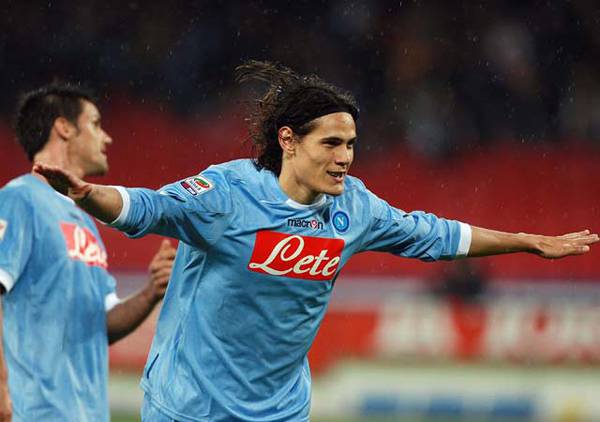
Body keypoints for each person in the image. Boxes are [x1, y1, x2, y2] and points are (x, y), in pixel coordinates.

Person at [35, 62, 598, 422]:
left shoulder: (355, 208)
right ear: (289, 141)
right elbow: (146, 207)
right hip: (190, 407)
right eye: (331, 143)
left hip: (281, 411)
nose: (345, 157)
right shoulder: (226, 193)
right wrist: (87, 193)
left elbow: (438, 235)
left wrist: (526, 241)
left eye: (351, 144)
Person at [0, 83, 176, 421]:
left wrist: (151, 291)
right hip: (32, 412)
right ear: (63, 128)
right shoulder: (19, 199)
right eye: (95, 124)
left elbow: (101, 323)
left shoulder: (86, 223)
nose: (106, 138)